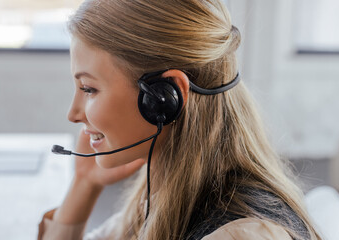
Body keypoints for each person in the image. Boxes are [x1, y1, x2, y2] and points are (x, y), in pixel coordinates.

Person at [38, 0, 322, 239]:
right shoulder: (164, 192)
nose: (73, 114)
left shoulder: (243, 234)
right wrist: (84, 185)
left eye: (89, 89)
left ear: (163, 96)